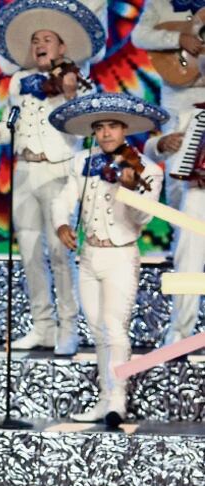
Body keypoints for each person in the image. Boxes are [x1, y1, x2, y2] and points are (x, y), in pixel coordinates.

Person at [0, 0, 106, 355]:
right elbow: (12, 122)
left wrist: (69, 89)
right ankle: (43, 326)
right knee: (30, 253)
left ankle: (69, 328)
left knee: (58, 251)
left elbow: (86, 118)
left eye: (48, 39)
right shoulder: (18, 81)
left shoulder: (78, 79)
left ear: (62, 47)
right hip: (24, 171)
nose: (40, 44)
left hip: (58, 170)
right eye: (36, 39)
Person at [50, 93, 167, 424]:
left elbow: (142, 219)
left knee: (115, 328)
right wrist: (61, 223)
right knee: (99, 330)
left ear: (124, 129)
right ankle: (105, 398)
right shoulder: (80, 162)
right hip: (89, 257)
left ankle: (118, 399)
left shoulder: (148, 169)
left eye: (112, 127)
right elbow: (63, 199)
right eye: (99, 128)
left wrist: (129, 189)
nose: (105, 134)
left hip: (120, 256)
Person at [132, 0, 205, 345]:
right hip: (183, 109)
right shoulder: (160, 3)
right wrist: (180, 41)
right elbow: (139, 36)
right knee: (188, 235)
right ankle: (181, 330)